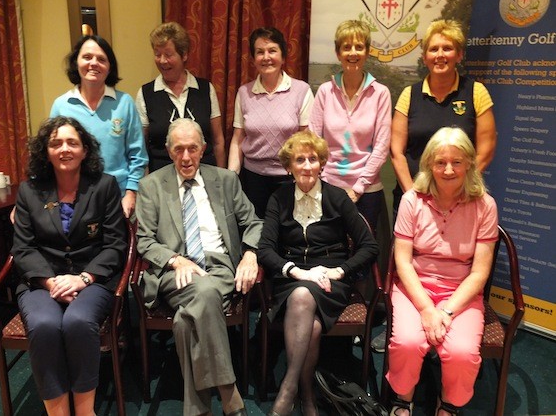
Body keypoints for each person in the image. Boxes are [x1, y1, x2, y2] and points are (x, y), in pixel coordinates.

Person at [135, 118, 263, 416]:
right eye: (178, 149)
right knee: (203, 293)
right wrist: (175, 259)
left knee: (185, 321)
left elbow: (253, 223)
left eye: (192, 148)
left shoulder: (225, 180)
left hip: (220, 270)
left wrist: (250, 255)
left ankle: (197, 408)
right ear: (169, 151)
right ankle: (229, 393)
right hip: (173, 274)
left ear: (204, 149)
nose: (186, 157)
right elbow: (144, 241)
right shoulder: (151, 185)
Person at [258, 130, 379, 416]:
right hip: (293, 279)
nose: (308, 165)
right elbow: (265, 249)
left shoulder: (338, 197)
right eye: (300, 159)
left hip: (329, 282)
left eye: (313, 158)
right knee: (308, 321)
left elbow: (369, 246)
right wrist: (295, 271)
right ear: (289, 167)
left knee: (304, 299)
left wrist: (340, 270)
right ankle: (308, 395)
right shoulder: (278, 199)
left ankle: (289, 389)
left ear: (322, 163)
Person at [12, 116, 127, 415]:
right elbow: (23, 248)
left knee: (77, 322)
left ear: (85, 150)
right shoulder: (28, 191)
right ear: (46, 151)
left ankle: (85, 410)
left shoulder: (104, 186)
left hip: (93, 279)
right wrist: (51, 282)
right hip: (41, 281)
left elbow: (116, 244)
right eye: (56, 143)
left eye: (72, 143)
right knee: (44, 325)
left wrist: (84, 278)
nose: (65, 149)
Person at [386, 127, 498, 416]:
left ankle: (449, 405)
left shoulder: (485, 205)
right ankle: (402, 399)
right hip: (415, 285)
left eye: (457, 162)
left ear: (470, 164)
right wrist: (425, 307)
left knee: (462, 352)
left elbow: (479, 273)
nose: (448, 170)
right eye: (440, 162)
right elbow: (402, 261)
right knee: (407, 343)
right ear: (429, 165)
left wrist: (446, 311)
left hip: (461, 290)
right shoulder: (412, 200)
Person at [390, 19, 496, 218]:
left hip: (461, 202)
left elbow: (486, 150)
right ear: (424, 57)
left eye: (447, 48)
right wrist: (413, 196)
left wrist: (460, 191)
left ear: (459, 55)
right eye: (433, 49)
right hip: (412, 200)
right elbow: (397, 152)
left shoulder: (476, 92)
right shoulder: (408, 95)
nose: (440, 55)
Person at [51, 35, 148, 218]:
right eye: (87, 57)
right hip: (73, 198)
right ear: (76, 62)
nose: (94, 63)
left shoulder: (124, 103)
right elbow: (49, 155)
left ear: (109, 67)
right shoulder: (61, 105)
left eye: (101, 59)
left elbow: (138, 156)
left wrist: (131, 193)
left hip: (117, 198)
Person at [309, 19, 391, 234]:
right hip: (328, 186)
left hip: (367, 191)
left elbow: (382, 146)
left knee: (361, 255)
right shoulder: (325, 91)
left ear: (367, 52)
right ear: (338, 53)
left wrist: (359, 187)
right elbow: (313, 141)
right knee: (329, 251)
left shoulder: (380, 93)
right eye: (346, 47)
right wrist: (324, 181)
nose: (352, 53)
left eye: (359, 47)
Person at [228, 26, 314, 218]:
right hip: (252, 181)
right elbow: (238, 139)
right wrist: (232, 176)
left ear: (283, 57)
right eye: (260, 52)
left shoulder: (302, 91)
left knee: (287, 236)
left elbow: (307, 140)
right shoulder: (244, 93)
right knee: (255, 234)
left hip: (290, 179)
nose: (266, 57)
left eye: (272, 50)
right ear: (253, 59)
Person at [136, 21, 226, 171]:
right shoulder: (146, 94)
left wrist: (221, 179)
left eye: (168, 54)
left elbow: (218, 141)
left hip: (204, 176)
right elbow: (141, 147)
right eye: (158, 55)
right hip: (162, 180)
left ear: (184, 55)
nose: (162, 61)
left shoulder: (205, 89)